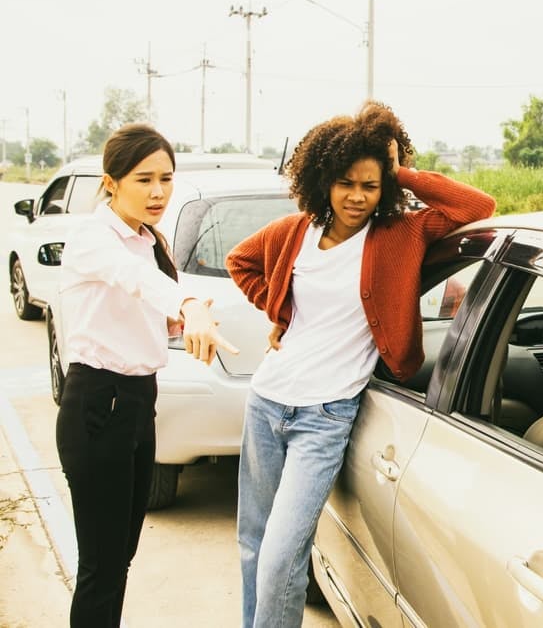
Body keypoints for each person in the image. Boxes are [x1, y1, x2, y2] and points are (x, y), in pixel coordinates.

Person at [226, 100, 496, 628]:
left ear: (385, 188)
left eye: (370, 185)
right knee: (254, 546)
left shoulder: (401, 235)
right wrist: (280, 309)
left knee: (283, 556)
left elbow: (476, 206)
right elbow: (242, 263)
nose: (356, 196)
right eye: (345, 182)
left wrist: (402, 172)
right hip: (266, 403)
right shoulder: (293, 233)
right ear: (323, 179)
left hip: (324, 417)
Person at [55, 124, 238, 627]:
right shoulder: (95, 238)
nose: (158, 192)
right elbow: (136, 281)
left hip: (138, 401)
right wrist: (187, 303)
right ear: (111, 182)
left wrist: (183, 317)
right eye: (144, 179)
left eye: (166, 178)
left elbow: (142, 301)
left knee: (122, 556)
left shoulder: (145, 238)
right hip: (98, 404)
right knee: (101, 565)